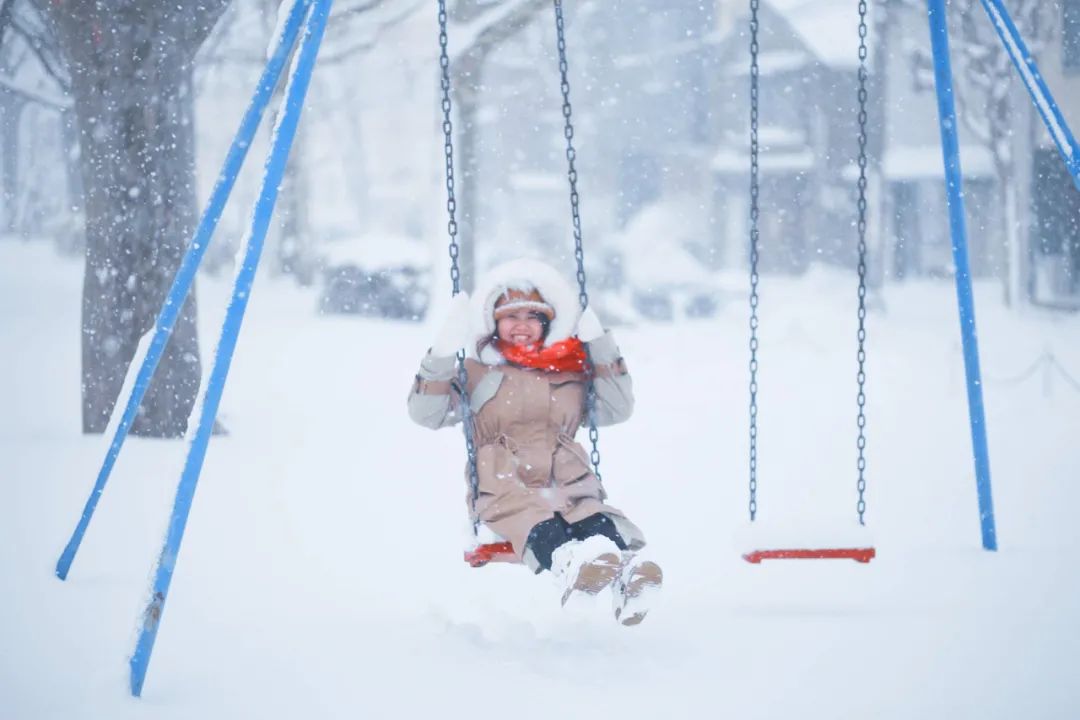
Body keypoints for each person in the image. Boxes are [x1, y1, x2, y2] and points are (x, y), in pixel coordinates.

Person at [407, 258, 662, 626]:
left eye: (533, 315)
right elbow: (425, 413)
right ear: (493, 321)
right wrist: (442, 355)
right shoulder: (477, 371)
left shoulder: (571, 369)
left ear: (548, 321)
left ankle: (629, 573)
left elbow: (617, 409)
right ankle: (568, 565)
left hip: (567, 476)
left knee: (592, 518)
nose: (522, 324)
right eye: (510, 315)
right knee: (535, 521)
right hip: (503, 479)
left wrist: (602, 346)